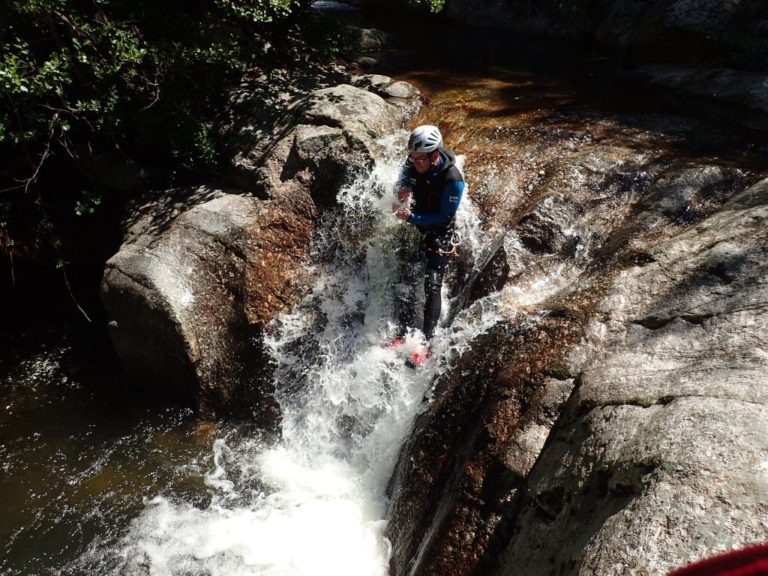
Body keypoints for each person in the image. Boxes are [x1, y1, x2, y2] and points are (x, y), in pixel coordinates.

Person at [391, 124, 465, 364]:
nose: (414, 162)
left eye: (420, 158)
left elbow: (445, 215)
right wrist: (402, 190)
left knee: (432, 284)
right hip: (418, 223)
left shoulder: (453, 179)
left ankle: (426, 341)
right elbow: (403, 178)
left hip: (440, 230)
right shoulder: (413, 162)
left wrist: (412, 218)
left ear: (434, 155)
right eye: (411, 157)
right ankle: (403, 335)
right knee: (406, 276)